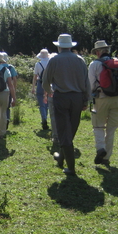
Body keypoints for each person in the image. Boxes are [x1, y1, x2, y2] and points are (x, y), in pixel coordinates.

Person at [42, 34, 91, 175]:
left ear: (58, 46)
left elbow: (45, 81)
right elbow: (86, 82)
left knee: (64, 130)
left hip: (61, 97)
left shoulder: (54, 60)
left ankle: (71, 168)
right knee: (71, 129)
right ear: (70, 46)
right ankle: (61, 157)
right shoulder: (80, 60)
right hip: (77, 98)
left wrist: (49, 91)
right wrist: (86, 100)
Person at [88, 40, 118, 166]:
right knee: (111, 130)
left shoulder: (94, 64)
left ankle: (101, 148)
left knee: (98, 126)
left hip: (101, 99)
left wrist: (88, 100)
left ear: (98, 52)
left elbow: (90, 85)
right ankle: (106, 158)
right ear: (108, 50)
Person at [32, 49, 51, 130]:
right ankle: (46, 117)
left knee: (41, 103)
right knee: (48, 103)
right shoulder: (51, 63)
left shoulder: (38, 64)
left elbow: (35, 77)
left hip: (40, 84)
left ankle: (44, 118)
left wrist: (33, 87)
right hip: (50, 84)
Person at [2, 52, 18, 129]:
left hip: (0, 89)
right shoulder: (11, 67)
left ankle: (1, 122)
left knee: (1, 107)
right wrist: (13, 89)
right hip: (9, 89)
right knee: (7, 106)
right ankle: (7, 119)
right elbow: (14, 79)